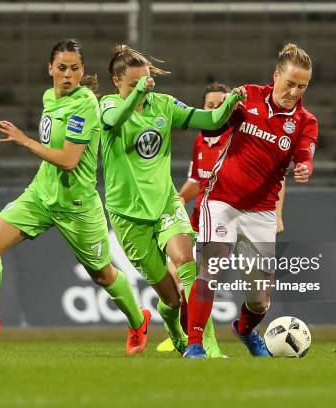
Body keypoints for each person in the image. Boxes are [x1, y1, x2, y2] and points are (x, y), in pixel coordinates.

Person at [0, 39, 150, 356]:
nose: (67, 74)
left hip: (78, 207)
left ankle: (138, 322)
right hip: (41, 196)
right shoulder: (49, 97)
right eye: (62, 68)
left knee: (103, 274)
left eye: (74, 68)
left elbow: (69, 161)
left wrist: (24, 141)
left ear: (82, 71)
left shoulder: (84, 105)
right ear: (50, 69)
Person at [99, 45, 245, 356]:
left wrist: (231, 102)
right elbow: (115, 122)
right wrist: (137, 94)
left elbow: (209, 119)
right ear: (116, 81)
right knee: (171, 299)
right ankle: (172, 323)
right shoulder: (107, 105)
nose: (142, 88)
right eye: (133, 83)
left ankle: (204, 344)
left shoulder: (163, 105)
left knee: (187, 262)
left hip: (165, 203)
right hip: (128, 216)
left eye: (146, 80)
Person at [184, 43, 318, 359]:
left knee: (259, 300)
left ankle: (244, 329)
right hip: (221, 200)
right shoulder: (249, 97)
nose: (294, 92)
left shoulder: (305, 122)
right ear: (276, 76)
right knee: (210, 268)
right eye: (290, 84)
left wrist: (304, 167)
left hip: (261, 210)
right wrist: (228, 103)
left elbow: (304, 155)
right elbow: (213, 124)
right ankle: (194, 345)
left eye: (302, 86)